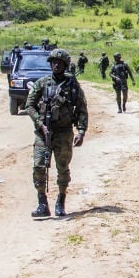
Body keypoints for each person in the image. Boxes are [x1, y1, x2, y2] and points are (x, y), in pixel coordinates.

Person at [24, 49, 88, 218]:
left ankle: (61, 201)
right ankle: (42, 203)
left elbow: (82, 109)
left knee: (63, 168)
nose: (56, 64)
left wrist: (81, 131)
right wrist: (39, 123)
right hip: (43, 132)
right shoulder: (42, 83)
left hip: (64, 132)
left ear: (65, 65)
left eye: (60, 62)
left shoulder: (73, 86)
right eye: (53, 62)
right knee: (39, 166)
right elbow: (29, 106)